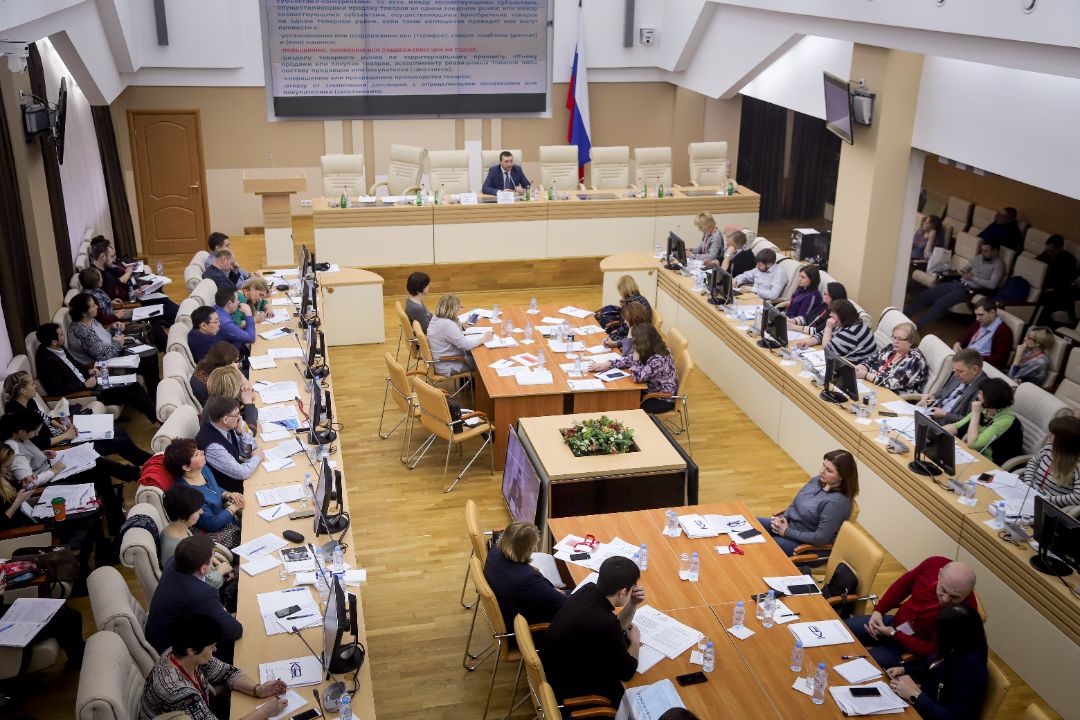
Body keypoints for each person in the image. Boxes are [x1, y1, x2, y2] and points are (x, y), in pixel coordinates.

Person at [4, 370, 151, 481]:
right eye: (31, 384)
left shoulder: (30, 401)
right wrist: (66, 436)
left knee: (116, 430)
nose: (35, 386)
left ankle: (148, 463)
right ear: (23, 391)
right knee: (118, 442)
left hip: (63, 435)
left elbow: (46, 418)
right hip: (60, 445)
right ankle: (146, 467)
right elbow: (37, 443)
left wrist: (63, 427)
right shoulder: (16, 415)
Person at [140, 612, 286, 720]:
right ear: (191, 651)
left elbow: (226, 672)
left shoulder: (179, 653)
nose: (215, 650)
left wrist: (257, 690)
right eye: (211, 647)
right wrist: (264, 712)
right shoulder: (180, 693)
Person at [1, 408, 124, 534]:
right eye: (35, 432)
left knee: (99, 468)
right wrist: (53, 471)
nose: (37, 435)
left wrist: (43, 455)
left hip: (52, 468)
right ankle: (117, 519)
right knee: (99, 470)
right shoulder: (16, 452)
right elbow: (30, 483)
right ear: (22, 431)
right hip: (51, 478)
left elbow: (29, 460)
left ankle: (116, 521)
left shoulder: (19, 438)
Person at [543, 556, 644, 706]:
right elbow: (627, 672)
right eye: (633, 587)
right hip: (570, 690)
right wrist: (635, 642)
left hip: (554, 669)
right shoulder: (605, 624)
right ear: (623, 592)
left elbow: (615, 626)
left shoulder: (588, 590)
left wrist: (633, 604)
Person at [843, 557, 977, 669]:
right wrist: (879, 611)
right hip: (894, 624)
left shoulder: (964, 614)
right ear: (939, 574)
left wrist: (894, 634)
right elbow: (902, 586)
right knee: (842, 628)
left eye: (954, 597)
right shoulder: (933, 564)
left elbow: (931, 650)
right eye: (943, 590)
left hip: (910, 646)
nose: (945, 599)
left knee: (864, 667)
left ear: (967, 594)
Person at [33, 322, 158, 424]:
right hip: (86, 392)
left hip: (92, 382)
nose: (63, 336)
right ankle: (158, 417)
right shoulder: (46, 361)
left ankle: (156, 415)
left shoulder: (58, 347)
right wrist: (85, 385)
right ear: (54, 342)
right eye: (61, 335)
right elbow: (57, 390)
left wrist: (88, 371)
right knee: (131, 391)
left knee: (134, 385)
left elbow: (74, 364)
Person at [145, 535, 244, 655]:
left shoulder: (174, 561)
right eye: (212, 559)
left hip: (160, 631)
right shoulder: (201, 594)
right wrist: (229, 617)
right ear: (203, 568)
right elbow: (235, 632)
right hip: (175, 651)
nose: (213, 562)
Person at [886, 605, 989, 719]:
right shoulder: (954, 648)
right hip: (924, 702)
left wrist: (915, 696)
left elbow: (951, 716)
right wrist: (904, 670)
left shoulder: (970, 670)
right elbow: (930, 670)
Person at [759, 449, 858, 556]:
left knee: (763, 545)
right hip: (789, 527)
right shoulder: (817, 480)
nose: (822, 471)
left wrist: (786, 532)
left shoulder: (836, 503)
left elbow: (820, 539)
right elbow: (795, 503)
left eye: (829, 470)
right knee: (752, 523)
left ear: (842, 476)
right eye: (823, 465)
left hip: (807, 546)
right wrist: (783, 518)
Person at [66, 293, 160, 394]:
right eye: (93, 306)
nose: (97, 306)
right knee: (149, 360)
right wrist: (118, 343)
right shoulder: (81, 331)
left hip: (113, 351)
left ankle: (155, 391)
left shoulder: (89, 319)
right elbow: (102, 355)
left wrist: (111, 328)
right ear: (84, 313)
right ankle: (155, 393)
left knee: (150, 351)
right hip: (106, 363)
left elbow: (99, 337)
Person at [904, 239, 1005, 330]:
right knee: (925, 295)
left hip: (967, 291)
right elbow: (966, 268)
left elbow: (992, 285)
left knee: (940, 303)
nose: (982, 253)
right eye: (982, 250)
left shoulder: (998, 265)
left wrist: (973, 278)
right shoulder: (979, 257)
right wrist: (962, 271)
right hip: (957, 283)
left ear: (995, 251)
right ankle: (903, 315)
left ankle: (917, 327)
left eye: (986, 251)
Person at [483, 521, 566, 630]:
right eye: (534, 546)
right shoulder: (528, 579)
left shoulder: (494, 552)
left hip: (509, 610)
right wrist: (557, 592)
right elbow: (563, 604)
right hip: (530, 629)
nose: (535, 549)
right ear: (526, 549)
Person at [165, 439, 242, 548]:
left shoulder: (203, 469)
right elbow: (212, 524)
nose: (202, 452)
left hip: (227, 517)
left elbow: (215, 489)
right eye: (196, 454)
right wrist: (234, 507)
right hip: (217, 532)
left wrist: (227, 494)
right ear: (186, 467)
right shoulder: (188, 493)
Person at [592, 324, 678, 414]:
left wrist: (636, 358)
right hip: (649, 389)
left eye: (635, 341)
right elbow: (629, 359)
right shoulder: (652, 347)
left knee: (625, 405)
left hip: (660, 398)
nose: (633, 343)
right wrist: (609, 364)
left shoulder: (658, 360)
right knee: (619, 398)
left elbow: (637, 378)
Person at [160, 483, 231, 588]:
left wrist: (218, 565)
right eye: (197, 510)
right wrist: (220, 572)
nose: (201, 512)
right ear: (184, 515)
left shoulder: (179, 529)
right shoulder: (177, 549)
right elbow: (199, 584)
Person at [943, 379, 1022, 464]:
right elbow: (956, 426)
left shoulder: (1005, 420)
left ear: (991, 397)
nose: (978, 396)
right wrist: (938, 433)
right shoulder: (987, 409)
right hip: (975, 454)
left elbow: (973, 444)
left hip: (992, 462)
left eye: (981, 393)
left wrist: (976, 413)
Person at [195, 396, 262, 493]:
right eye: (237, 415)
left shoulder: (225, 426)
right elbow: (241, 473)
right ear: (225, 420)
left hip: (241, 477)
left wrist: (241, 433)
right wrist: (257, 457)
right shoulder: (213, 446)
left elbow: (247, 451)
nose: (240, 418)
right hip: (231, 491)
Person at [1022, 414, 1080, 508]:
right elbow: (1033, 463)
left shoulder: (1077, 466)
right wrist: (1027, 484)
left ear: (1065, 440)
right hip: (1030, 494)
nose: (1048, 435)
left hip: (1049, 506)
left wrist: (1047, 499)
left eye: (1053, 434)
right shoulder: (1049, 448)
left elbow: (1077, 497)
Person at [425, 294, 492, 375]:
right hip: (449, 364)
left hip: (442, 360)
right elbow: (466, 345)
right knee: (484, 362)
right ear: (453, 310)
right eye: (459, 308)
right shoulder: (447, 324)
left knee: (477, 355)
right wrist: (484, 339)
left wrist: (463, 326)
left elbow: (450, 334)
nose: (459, 311)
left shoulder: (437, 317)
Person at [917, 349, 987, 425]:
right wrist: (933, 396)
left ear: (975, 370)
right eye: (955, 370)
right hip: (930, 415)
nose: (955, 375)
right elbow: (944, 391)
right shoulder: (959, 373)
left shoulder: (984, 390)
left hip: (946, 426)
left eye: (960, 371)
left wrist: (945, 415)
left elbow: (969, 421)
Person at [857, 322, 929, 394]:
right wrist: (860, 368)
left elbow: (893, 383)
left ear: (911, 341)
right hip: (874, 386)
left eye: (900, 339)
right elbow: (871, 360)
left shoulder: (915, 360)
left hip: (895, 396)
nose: (895, 342)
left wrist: (865, 375)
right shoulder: (891, 348)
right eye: (894, 337)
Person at [953, 298, 1013, 369]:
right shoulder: (979, 323)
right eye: (976, 315)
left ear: (992, 312)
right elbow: (964, 337)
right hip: (966, 357)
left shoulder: (1004, 332)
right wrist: (958, 343)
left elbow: (1000, 360)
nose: (977, 318)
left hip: (980, 364)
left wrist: (974, 357)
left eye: (980, 315)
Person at [1033, 234, 1078, 326]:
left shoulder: (1069, 260)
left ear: (1060, 248)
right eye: (1047, 250)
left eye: (1051, 251)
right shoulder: (1046, 254)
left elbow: (1067, 282)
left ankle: (1038, 324)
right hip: (1043, 285)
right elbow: (1035, 263)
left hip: (1058, 291)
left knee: (1044, 301)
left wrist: (1050, 289)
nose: (1048, 252)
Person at [821, 299, 877, 365]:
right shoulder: (852, 322)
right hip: (846, 362)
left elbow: (827, 351)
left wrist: (828, 327)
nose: (830, 315)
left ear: (841, 315)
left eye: (833, 312)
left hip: (854, 368)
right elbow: (824, 334)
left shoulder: (851, 333)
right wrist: (810, 341)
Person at [791, 282, 848, 346]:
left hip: (818, 343)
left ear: (833, 297)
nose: (823, 295)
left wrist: (792, 327)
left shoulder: (836, 315)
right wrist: (791, 321)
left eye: (825, 294)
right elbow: (806, 318)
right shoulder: (824, 305)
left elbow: (818, 330)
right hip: (807, 337)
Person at [600, 276, 652, 345]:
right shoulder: (641, 298)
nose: (620, 293)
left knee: (607, 337)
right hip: (644, 332)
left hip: (637, 337)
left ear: (623, 289)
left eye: (620, 290)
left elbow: (628, 326)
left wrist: (616, 332)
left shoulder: (631, 302)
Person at [190, 341, 241, 406]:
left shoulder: (202, 367)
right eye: (234, 361)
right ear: (223, 365)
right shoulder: (216, 385)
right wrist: (235, 371)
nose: (237, 364)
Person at [213, 287, 256, 356]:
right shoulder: (225, 324)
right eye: (237, 300)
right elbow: (251, 338)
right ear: (229, 303)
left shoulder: (215, 307)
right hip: (225, 357)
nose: (239, 302)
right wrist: (248, 314)